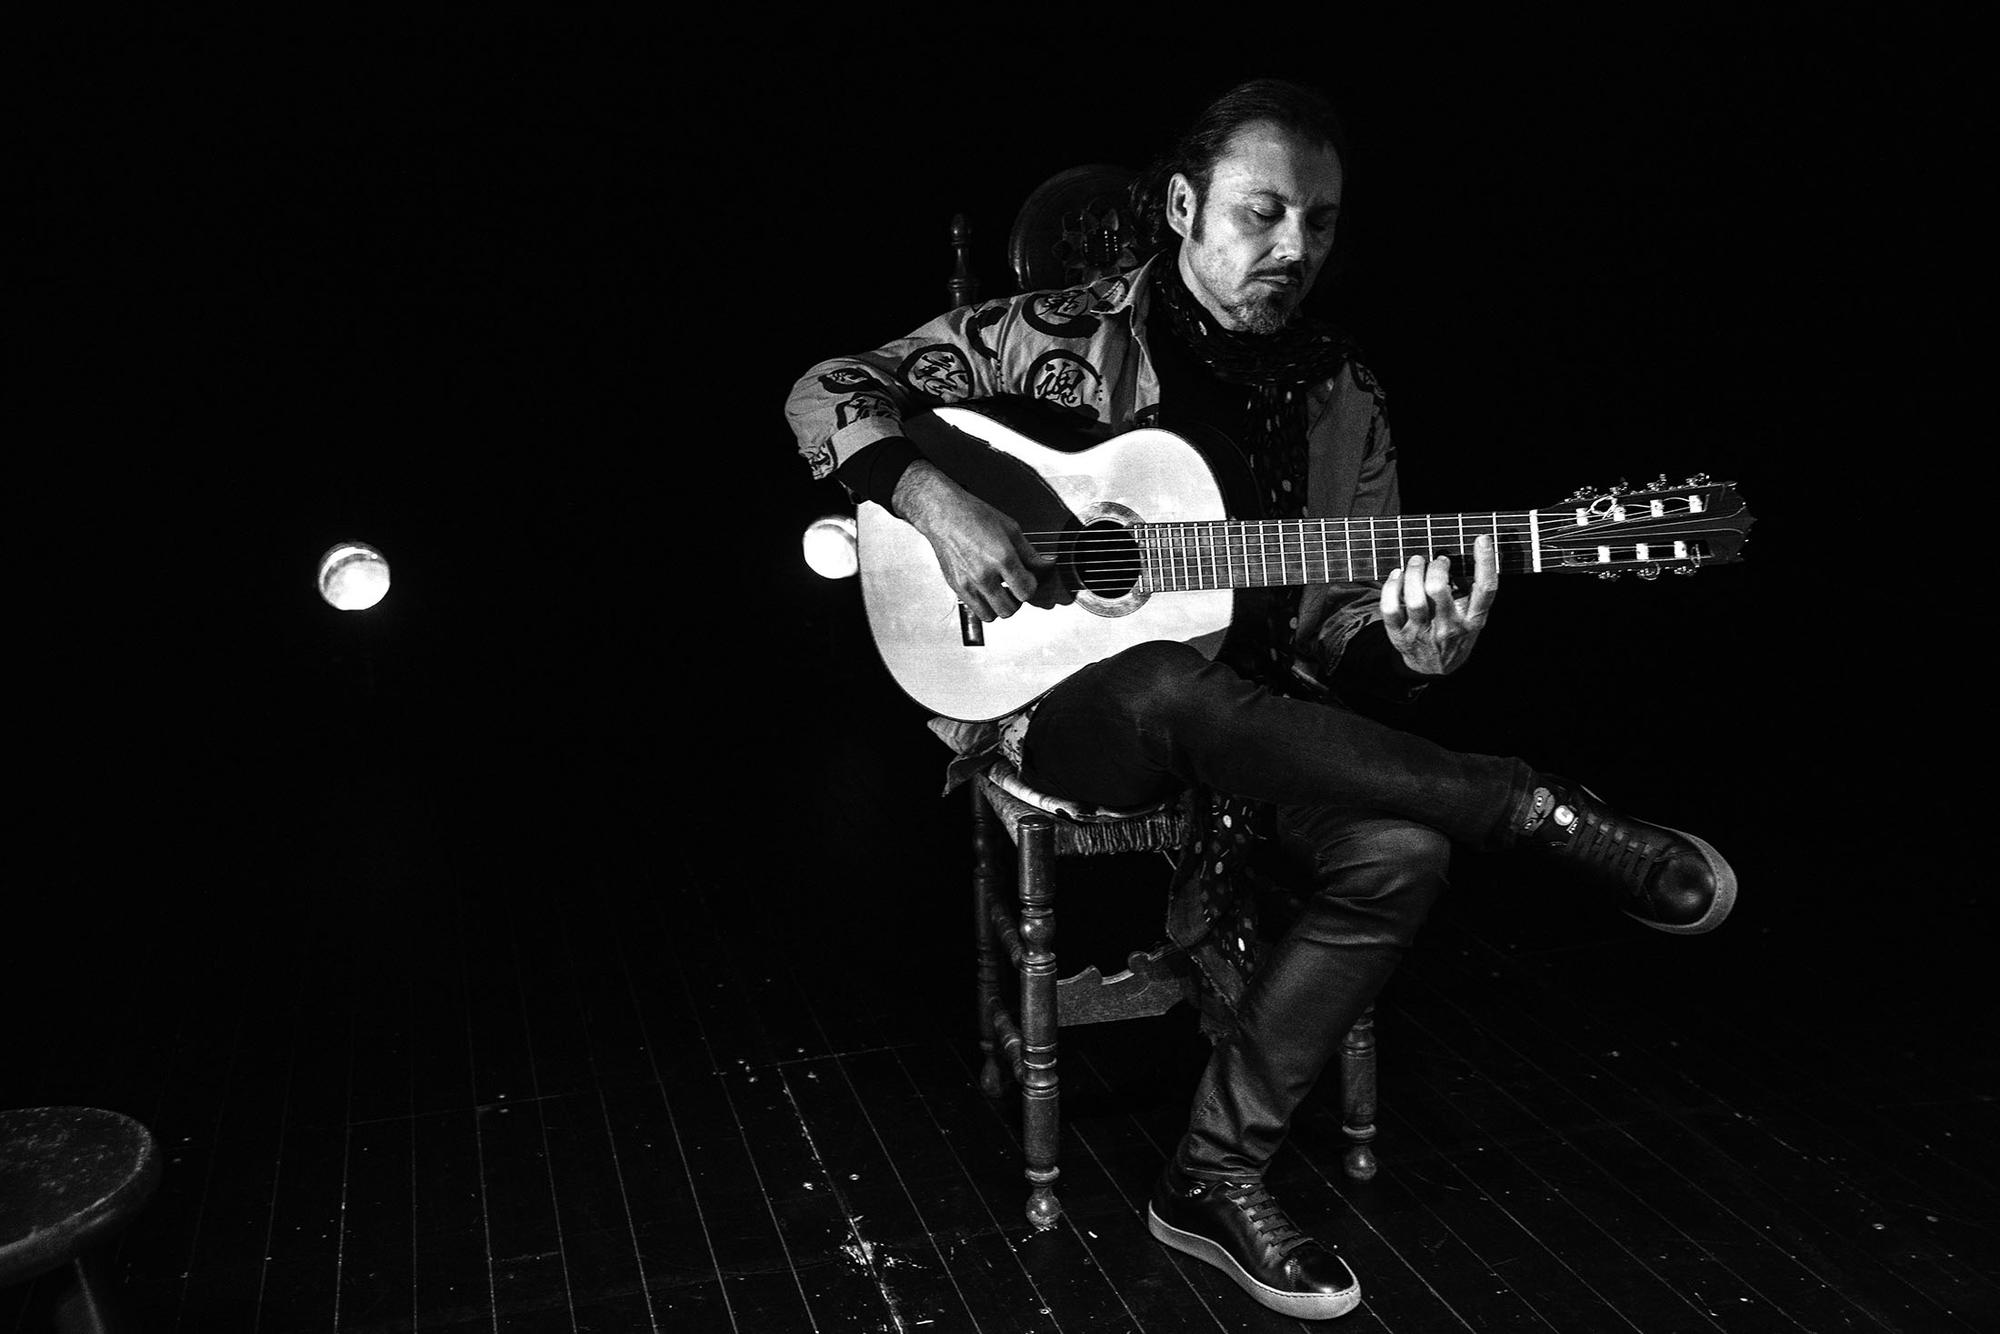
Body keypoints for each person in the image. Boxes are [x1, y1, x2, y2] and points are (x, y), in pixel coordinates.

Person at [784, 77, 1736, 1322]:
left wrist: (1417, 652)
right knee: (1171, 682)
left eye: (1322, 223)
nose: (1293, 249)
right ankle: (1532, 805)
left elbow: (1341, 644)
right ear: (1183, 205)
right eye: (1262, 212)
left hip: (1258, 710)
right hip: (1063, 708)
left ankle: (1209, 1173)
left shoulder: (1344, 394)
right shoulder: (1053, 333)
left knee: (1399, 850)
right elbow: (825, 385)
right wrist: (932, 500)